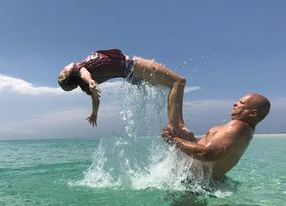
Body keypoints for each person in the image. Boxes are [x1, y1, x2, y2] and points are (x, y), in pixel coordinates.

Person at [161, 69, 271, 181]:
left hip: (193, 184)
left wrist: (174, 140)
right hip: (205, 184)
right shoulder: (246, 131)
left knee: (178, 81)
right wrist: (192, 140)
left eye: (241, 103)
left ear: (253, 113)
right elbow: (213, 150)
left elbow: (208, 153)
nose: (235, 103)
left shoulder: (237, 126)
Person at [57, 49, 193, 138]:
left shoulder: (84, 81)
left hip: (130, 76)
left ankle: (176, 125)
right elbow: (85, 74)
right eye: (64, 69)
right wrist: (91, 81)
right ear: (70, 73)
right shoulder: (80, 70)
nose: (65, 66)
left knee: (170, 85)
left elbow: (96, 100)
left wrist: (94, 114)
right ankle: (176, 126)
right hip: (131, 65)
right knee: (178, 82)